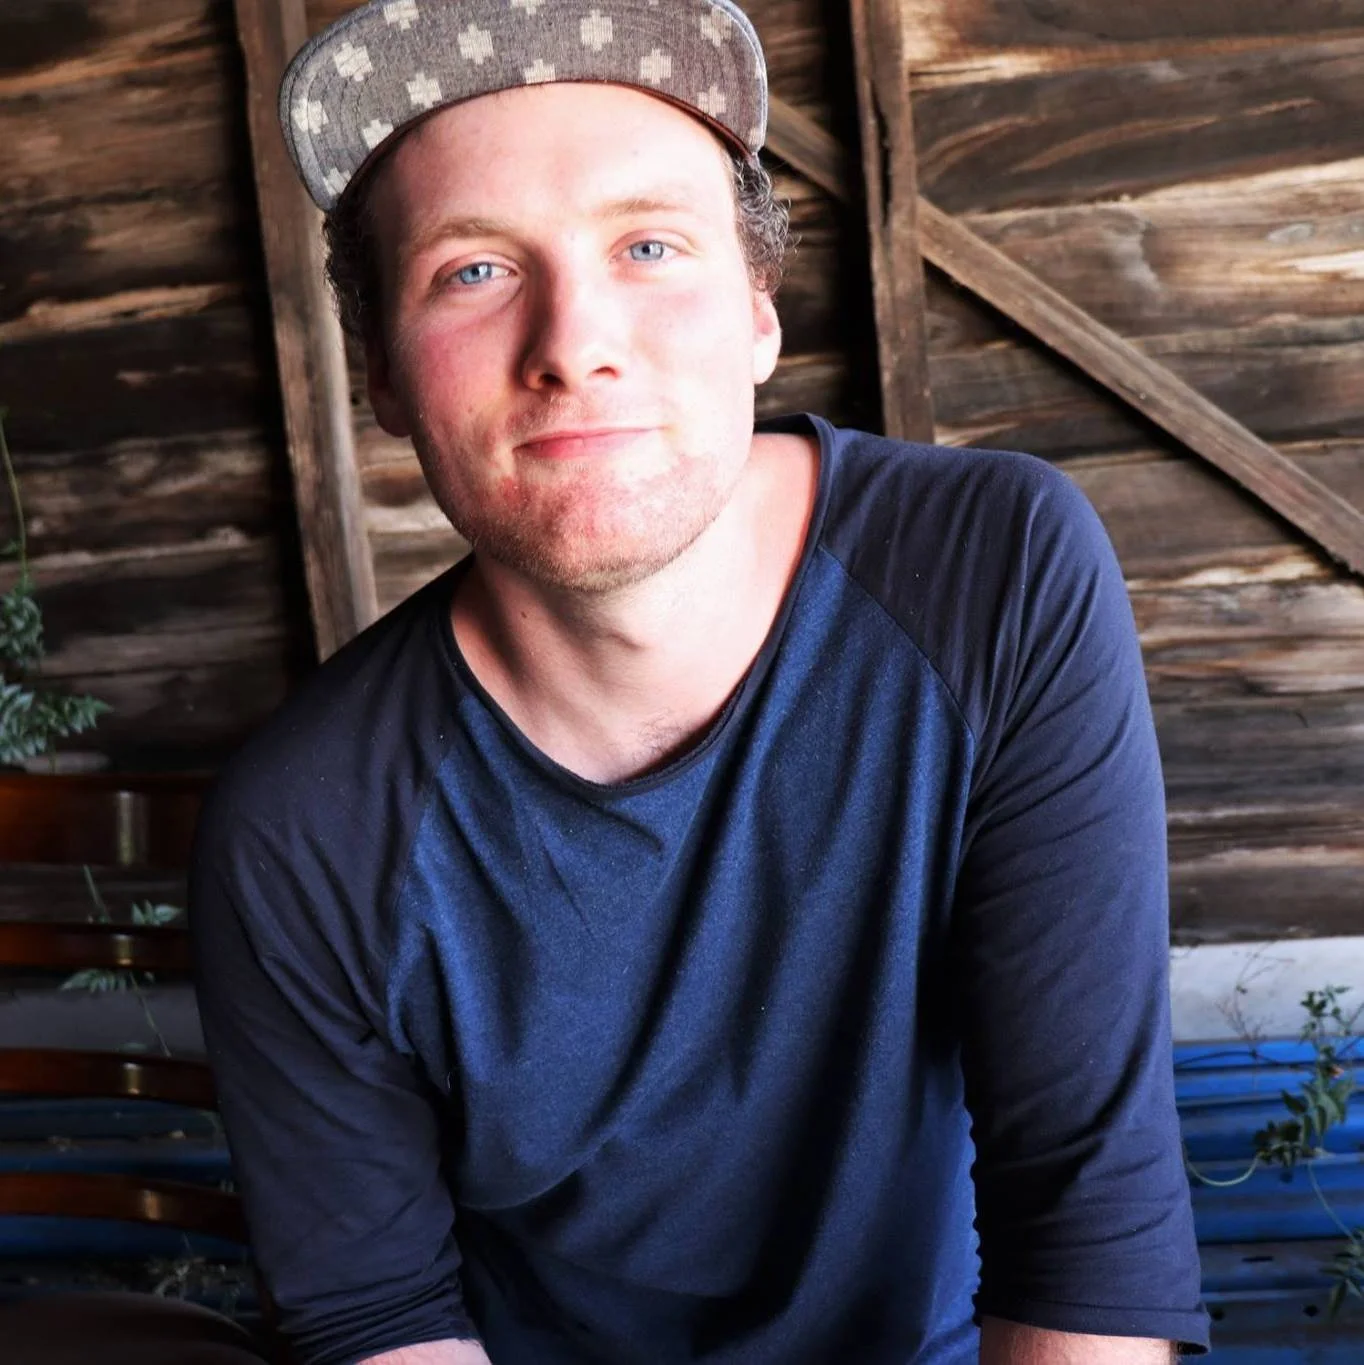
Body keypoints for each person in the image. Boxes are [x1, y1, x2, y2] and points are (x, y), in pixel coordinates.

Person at [190, 1, 1211, 1362]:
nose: (577, 339)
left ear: (757, 312)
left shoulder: (994, 576)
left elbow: (1084, 1213)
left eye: (649, 245)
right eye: (475, 271)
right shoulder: (300, 830)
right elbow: (379, 1317)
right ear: (378, 370)